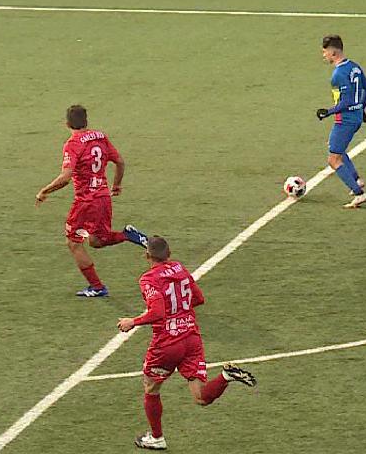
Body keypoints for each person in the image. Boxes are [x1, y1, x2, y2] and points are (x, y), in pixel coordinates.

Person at [118, 235, 256, 450]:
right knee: (201, 397)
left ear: (146, 255)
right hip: (191, 337)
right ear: (169, 254)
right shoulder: (180, 269)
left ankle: (156, 437)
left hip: (167, 342)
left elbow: (158, 312)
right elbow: (199, 298)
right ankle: (226, 376)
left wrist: (132, 322)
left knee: (151, 388)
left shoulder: (148, 279)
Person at [35, 105, 148, 297]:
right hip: (103, 197)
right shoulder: (100, 137)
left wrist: (44, 191)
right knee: (96, 240)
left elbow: (66, 177)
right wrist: (117, 185)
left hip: (86, 201)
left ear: (67, 124)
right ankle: (128, 235)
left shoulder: (73, 143)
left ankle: (97, 287)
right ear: (86, 121)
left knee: (73, 242)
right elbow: (120, 161)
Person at [315, 34, 366, 208]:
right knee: (335, 147)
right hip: (355, 117)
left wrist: (328, 112)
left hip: (345, 118)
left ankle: (359, 193)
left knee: (333, 160)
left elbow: (346, 101)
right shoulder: (354, 67)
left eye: (325, 52)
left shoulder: (338, 74)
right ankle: (357, 179)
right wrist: (361, 108)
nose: (323, 55)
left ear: (333, 53)